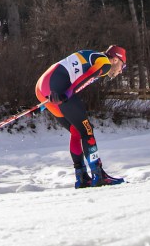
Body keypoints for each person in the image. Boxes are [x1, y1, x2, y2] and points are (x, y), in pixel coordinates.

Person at [34, 45, 127, 188]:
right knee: (87, 131)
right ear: (115, 59)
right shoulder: (105, 63)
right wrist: (67, 94)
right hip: (56, 86)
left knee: (76, 131)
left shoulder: (95, 57)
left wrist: (41, 106)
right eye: (123, 66)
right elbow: (85, 78)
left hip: (43, 87)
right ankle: (98, 175)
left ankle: (82, 177)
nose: (121, 71)